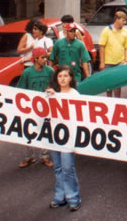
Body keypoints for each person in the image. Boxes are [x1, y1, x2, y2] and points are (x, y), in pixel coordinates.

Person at [46, 66, 81, 211]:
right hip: (54, 136)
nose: (62, 79)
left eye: (66, 76)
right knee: (58, 167)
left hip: (69, 137)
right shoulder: (51, 93)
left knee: (68, 168)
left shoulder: (75, 94)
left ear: (71, 78)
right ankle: (60, 197)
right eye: (60, 76)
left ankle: (73, 198)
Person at [17, 47, 54, 168]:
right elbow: (20, 90)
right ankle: (29, 156)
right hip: (31, 107)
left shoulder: (49, 71)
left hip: (45, 106)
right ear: (36, 59)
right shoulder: (27, 73)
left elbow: (55, 87)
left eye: (46, 57)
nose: (45, 60)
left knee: (45, 130)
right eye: (43, 57)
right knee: (28, 131)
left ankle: (45, 156)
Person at [99, 11, 127, 96]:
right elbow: (101, 46)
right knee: (108, 84)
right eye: (123, 20)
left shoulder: (126, 32)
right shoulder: (106, 31)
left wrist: (126, 60)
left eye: (125, 21)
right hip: (108, 62)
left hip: (120, 62)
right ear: (117, 19)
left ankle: (117, 100)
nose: (124, 23)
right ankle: (109, 100)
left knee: (118, 85)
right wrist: (102, 62)